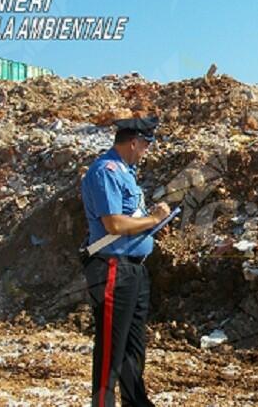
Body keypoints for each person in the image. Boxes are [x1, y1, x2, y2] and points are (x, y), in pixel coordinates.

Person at [80, 116, 171, 407]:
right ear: (134, 142)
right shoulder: (105, 171)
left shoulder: (125, 172)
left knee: (133, 345)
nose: (146, 151)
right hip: (113, 268)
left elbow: (130, 220)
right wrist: (154, 219)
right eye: (145, 145)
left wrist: (152, 223)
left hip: (133, 268)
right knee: (111, 349)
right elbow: (114, 224)